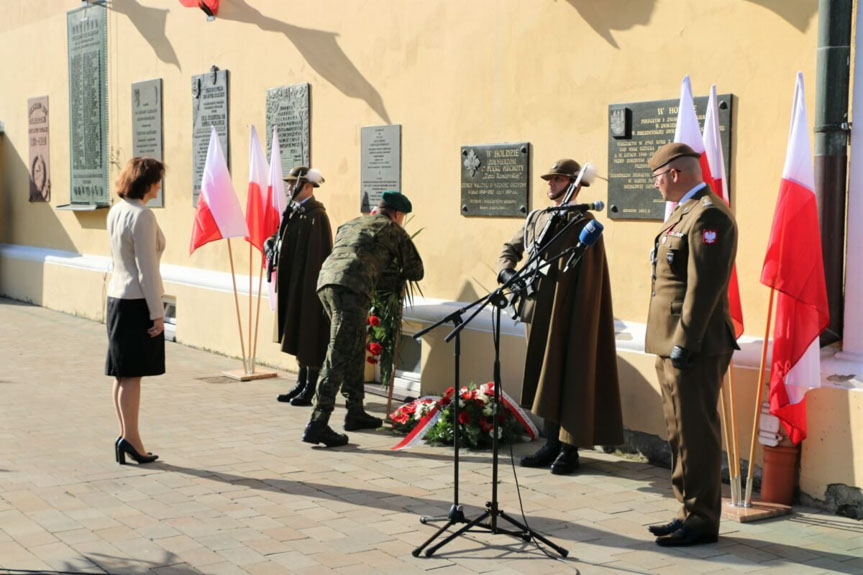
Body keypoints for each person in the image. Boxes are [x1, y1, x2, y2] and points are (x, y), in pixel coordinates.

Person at [498, 159, 623, 475]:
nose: (550, 184)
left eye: (557, 179)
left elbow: (589, 276)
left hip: (568, 313)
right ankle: (551, 442)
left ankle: (569, 448)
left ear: (575, 184)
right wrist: (507, 272)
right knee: (544, 376)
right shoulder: (538, 218)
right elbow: (511, 248)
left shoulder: (584, 223)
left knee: (569, 377)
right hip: (537, 308)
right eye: (549, 179)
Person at [644, 142, 739, 547]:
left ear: (676, 173)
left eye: (658, 178)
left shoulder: (709, 214)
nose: (656, 186)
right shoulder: (684, 213)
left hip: (694, 344)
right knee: (678, 432)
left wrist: (686, 341)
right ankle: (686, 509)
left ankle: (701, 521)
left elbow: (706, 287)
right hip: (673, 342)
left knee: (696, 433)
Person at [303, 191, 424, 447]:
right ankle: (318, 422)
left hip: (326, 284)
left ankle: (355, 411)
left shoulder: (351, 223)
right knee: (338, 353)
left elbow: (354, 254)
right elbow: (416, 270)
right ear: (398, 214)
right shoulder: (392, 228)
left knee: (354, 347)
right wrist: (394, 277)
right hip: (352, 289)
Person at [105, 157, 166, 465]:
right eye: (157, 180)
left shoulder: (117, 211)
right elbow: (146, 269)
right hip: (136, 302)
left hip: (116, 298)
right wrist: (158, 312)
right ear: (147, 183)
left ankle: (127, 436)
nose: (159, 186)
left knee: (122, 375)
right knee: (132, 377)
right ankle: (132, 440)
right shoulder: (142, 216)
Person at [265, 166, 333, 406]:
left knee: (309, 334)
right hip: (293, 283)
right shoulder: (295, 212)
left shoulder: (316, 215)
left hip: (307, 286)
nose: (290, 188)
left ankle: (310, 386)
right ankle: (301, 380)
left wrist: (309, 290)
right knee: (295, 331)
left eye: (294, 184)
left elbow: (317, 257)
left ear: (307, 186)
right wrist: (270, 243)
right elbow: (281, 236)